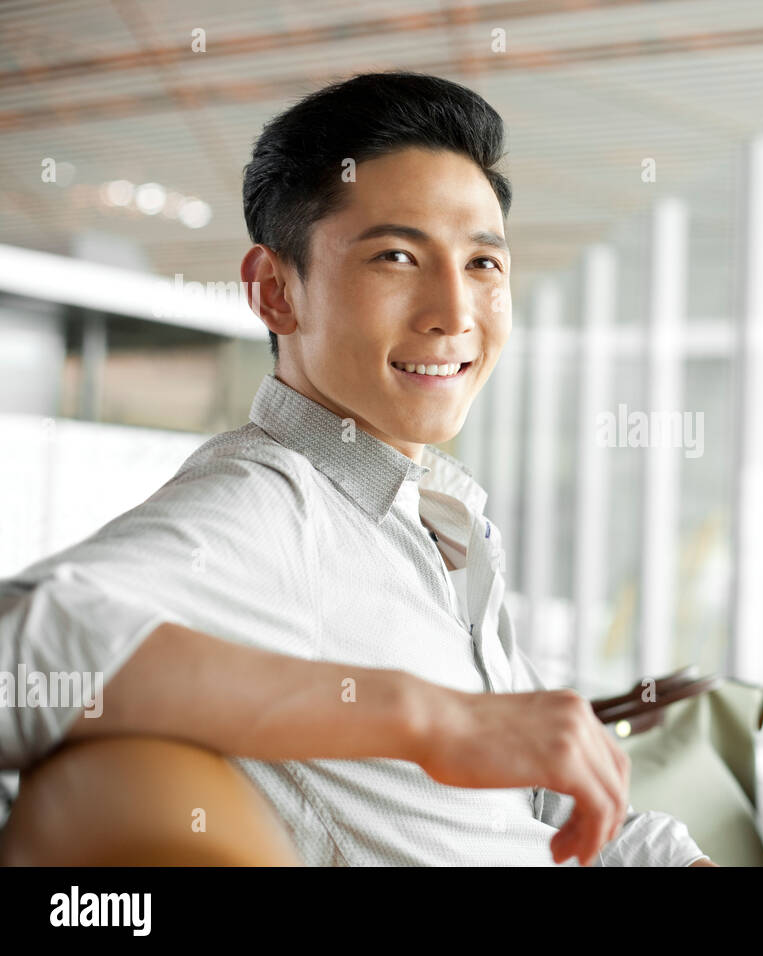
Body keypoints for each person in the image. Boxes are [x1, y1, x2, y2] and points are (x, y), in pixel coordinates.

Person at [0, 71, 715, 867]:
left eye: (483, 264)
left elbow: (547, 812)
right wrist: (426, 717)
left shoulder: (430, 519)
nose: (453, 312)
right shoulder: (271, 507)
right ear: (275, 291)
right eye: (398, 256)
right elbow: (16, 664)